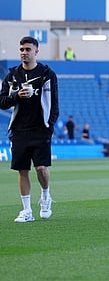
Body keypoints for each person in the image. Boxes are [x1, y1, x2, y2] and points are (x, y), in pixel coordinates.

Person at [0, 36, 59, 222]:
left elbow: (55, 104)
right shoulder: (12, 76)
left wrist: (50, 125)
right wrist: (16, 95)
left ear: (36, 51)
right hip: (19, 130)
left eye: (28, 49)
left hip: (41, 129)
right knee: (22, 170)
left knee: (41, 168)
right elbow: (2, 102)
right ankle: (26, 210)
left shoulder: (47, 74)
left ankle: (45, 196)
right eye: (22, 49)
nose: (24, 53)